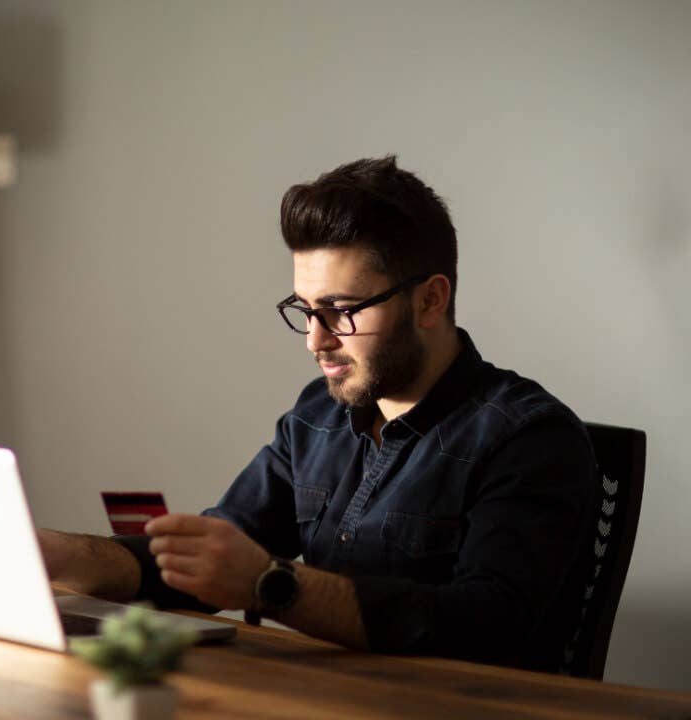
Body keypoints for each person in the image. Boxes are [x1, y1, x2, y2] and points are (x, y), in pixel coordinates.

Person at [38, 156, 597, 673]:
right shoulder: (315, 417)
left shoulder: (529, 439)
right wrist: (60, 555)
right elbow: (203, 564)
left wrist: (269, 583)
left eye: (341, 311)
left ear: (430, 300)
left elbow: (484, 626)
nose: (315, 341)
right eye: (305, 311)